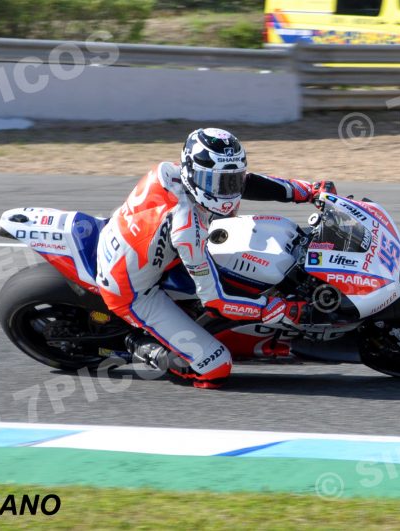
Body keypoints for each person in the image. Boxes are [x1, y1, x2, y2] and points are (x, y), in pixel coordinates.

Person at [96, 128, 335, 389]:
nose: (226, 190)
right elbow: (215, 301)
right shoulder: (186, 227)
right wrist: (273, 309)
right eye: (216, 183)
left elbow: (248, 182)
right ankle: (138, 345)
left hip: (146, 250)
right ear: (192, 173)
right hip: (133, 290)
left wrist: (307, 191)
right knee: (215, 367)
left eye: (231, 181)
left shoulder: (174, 172)